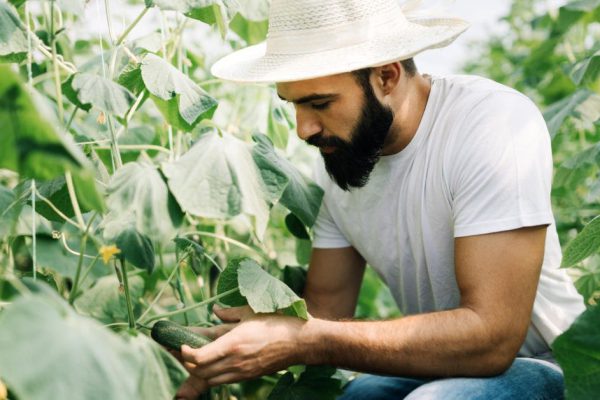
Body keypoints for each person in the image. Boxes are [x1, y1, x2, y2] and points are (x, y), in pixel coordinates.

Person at [174, 0, 586, 399]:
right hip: (444, 366)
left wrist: (306, 339)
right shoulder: (340, 163)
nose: (303, 129)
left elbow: (491, 339)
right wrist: (219, 350)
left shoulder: (492, 125)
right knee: (360, 394)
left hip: (550, 365)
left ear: (386, 77)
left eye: (319, 103)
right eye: (294, 104)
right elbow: (324, 313)